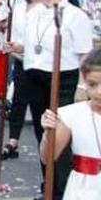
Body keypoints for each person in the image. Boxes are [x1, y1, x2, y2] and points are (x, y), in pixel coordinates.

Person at [9, 0, 94, 199]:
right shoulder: (35, 13)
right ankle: (48, 184)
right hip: (35, 76)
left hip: (63, 78)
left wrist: (82, 87)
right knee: (43, 132)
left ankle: (62, 189)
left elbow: (84, 54)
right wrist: (20, 47)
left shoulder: (75, 15)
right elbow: (35, 44)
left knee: (62, 134)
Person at [37, 47, 101, 200]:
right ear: (85, 82)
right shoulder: (71, 115)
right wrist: (48, 133)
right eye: (92, 85)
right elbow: (48, 158)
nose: (99, 92)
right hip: (83, 189)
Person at [1, 0, 42, 160]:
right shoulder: (18, 8)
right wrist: (8, 44)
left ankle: (44, 144)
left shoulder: (46, 9)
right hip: (19, 59)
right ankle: (13, 140)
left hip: (39, 63)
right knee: (18, 99)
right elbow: (12, 31)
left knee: (38, 105)